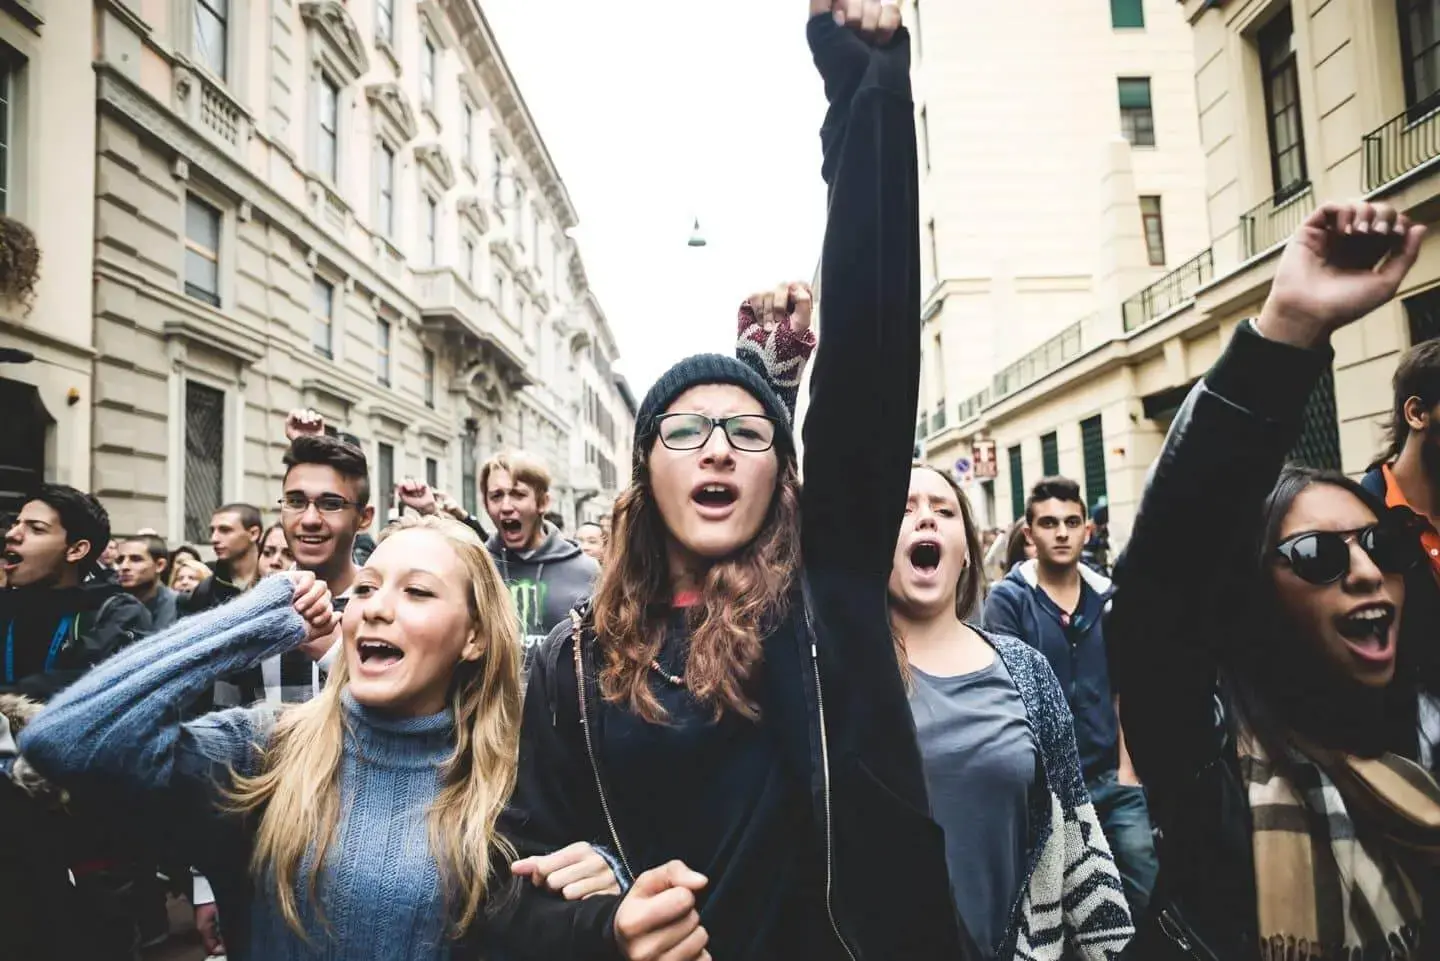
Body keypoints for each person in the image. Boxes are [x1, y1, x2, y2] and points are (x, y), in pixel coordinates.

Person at [504, 7, 974, 960]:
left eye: (747, 431)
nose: (716, 449)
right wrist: (603, 921)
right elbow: (507, 880)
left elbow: (875, 353)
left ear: (785, 470)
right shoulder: (568, 663)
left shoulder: (826, 599)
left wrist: (866, 86)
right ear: (647, 470)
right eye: (684, 429)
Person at [18, 515, 714, 961]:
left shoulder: (511, 776)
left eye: (417, 592)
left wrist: (599, 883)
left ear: (473, 636)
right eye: (369, 587)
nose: (377, 605)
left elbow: (550, 923)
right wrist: (252, 621)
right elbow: (64, 740)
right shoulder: (267, 751)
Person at [1109, 200, 1439, 960]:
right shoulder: (1206, 758)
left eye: (1379, 545)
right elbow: (1164, 583)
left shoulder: (1420, 732)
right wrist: (1289, 324)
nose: (1363, 570)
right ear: (1255, 594)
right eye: (1319, 556)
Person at [890, 464, 1133, 959]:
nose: (926, 519)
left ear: (965, 554)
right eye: (904, 508)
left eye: (944, 510)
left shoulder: (1025, 670)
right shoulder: (840, 676)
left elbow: (1077, 836)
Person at [983, 477, 1157, 920]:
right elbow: (1007, 696)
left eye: (1071, 522)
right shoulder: (1009, 601)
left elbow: (1125, 689)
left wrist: (1127, 771)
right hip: (1046, 790)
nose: (1061, 532)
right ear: (1030, 534)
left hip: (1111, 780)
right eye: (1049, 523)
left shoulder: (1108, 600)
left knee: (1145, 890)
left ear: (1086, 530)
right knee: (1054, 914)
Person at [0, 485, 151, 699]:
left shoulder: (115, 614)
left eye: (36, 528)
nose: (12, 534)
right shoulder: (7, 606)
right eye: (16, 524)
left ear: (76, 550)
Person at [480, 452, 599, 652]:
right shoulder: (476, 566)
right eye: (496, 496)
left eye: (518, 494)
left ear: (543, 502)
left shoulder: (586, 571)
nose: (506, 506)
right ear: (485, 503)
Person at [180, 503, 262, 615]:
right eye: (212, 531)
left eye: (225, 530)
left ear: (253, 534)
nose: (214, 538)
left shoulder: (277, 577)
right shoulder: (205, 591)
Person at [116, 534, 181, 630]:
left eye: (136, 559)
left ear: (159, 565)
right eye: (120, 560)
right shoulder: (112, 604)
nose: (124, 566)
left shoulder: (177, 606)